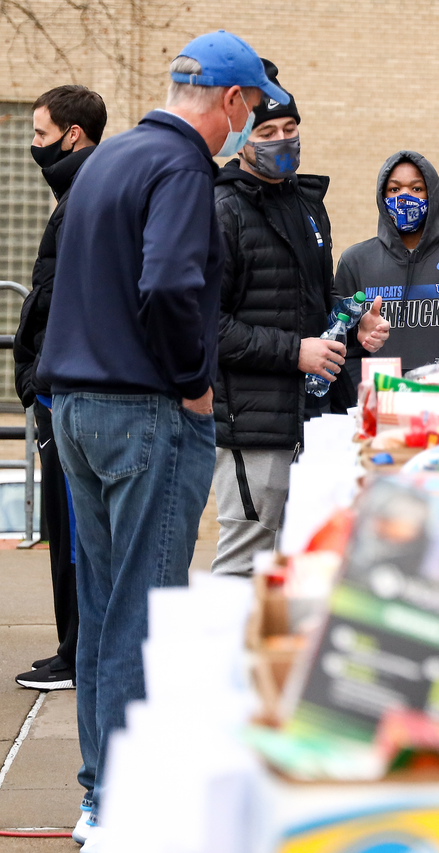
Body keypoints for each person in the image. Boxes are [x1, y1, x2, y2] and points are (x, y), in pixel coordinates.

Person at [37, 30, 286, 846]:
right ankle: (130, 799)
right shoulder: (181, 166)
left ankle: (101, 793)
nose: (246, 129)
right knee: (146, 611)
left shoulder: (107, 160)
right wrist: (193, 381)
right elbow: (172, 282)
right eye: (251, 111)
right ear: (233, 102)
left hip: (76, 404)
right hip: (145, 408)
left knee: (107, 613)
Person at [211, 61, 390, 577]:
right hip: (253, 427)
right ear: (241, 137)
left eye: (291, 130)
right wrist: (296, 352)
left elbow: (314, 302)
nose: (283, 141)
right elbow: (207, 326)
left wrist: (353, 330)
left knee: (307, 566)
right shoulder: (221, 210)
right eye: (268, 132)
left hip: (318, 421)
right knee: (246, 563)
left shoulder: (310, 205)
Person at [12, 85, 106, 694]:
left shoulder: (83, 198)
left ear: (73, 135)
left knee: (74, 534)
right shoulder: (76, 193)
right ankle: (71, 646)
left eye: (41, 135)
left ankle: (76, 653)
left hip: (63, 394)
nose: (33, 146)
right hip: (56, 387)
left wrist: (38, 376)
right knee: (67, 531)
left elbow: (66, 301)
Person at [336, 151, 439, 376]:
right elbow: (341, 342)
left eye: (416, 188)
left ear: (432, 195)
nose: (404, 197)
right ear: (382, 197)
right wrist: (363, 394)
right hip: (379, 401)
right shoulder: (355, 261)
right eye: (394, 189)